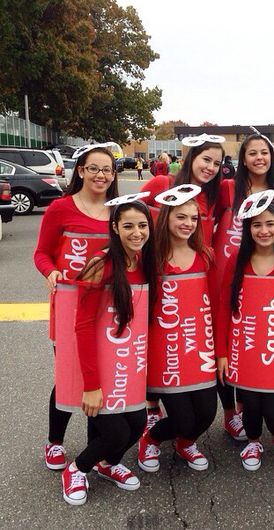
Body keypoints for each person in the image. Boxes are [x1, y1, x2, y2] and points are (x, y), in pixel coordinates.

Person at [60, 197, 156, 505]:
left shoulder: (144, 262)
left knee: (137, 425)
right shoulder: (100, 264)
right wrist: (90, 385)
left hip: (128, 365)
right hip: (99, 368)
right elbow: (83, 326)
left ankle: (107, 464)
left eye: (143, 226)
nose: (137, 233)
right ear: (114, 228)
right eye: (128, 226)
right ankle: (76, 469)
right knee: (115, 432)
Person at [34, 144, 119, 472]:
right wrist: (51, 271)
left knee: (101, 374)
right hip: (70, 304)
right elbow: (41, 252)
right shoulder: (60, 208)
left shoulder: (118, 211)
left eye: (107, 170)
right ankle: (54, 441)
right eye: (94, 168)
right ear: (80, 170)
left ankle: (94, 447)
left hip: (107, 305)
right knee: (70, 373)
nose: (101, 175)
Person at [139, 134, 224, 431]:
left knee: (187, 345)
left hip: (198, 270)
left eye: (217, 162)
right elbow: (131, 215)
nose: (211, 167)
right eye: (206, 159)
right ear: (191, 158)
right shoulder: (164, 183)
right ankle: (153, 408)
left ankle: (186, 431)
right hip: (165, 266)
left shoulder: (216, 194)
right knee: (162, 334)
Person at [216, 193, 274, 471]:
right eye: (256, 225)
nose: (264, 231)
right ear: (248, 229)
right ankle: (253, 441)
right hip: (244, 349)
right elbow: (223, 308)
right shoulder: (237, 261)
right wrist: (222, 352)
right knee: (251, 407)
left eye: (270, 224)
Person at [211, 132, 274, 441]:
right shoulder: (228, 188)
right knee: (224, 338)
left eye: (264, 153)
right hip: (223, 272)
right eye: (252, 153)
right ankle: (231, 413)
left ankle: (248, 405)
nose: (259, 158)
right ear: (242, 159)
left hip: (262, 277)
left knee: (253, 337)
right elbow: (202, 220)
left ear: (272, 158)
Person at [138, 186, 217, 473]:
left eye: (194, 219)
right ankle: (153, 438)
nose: (187, 224)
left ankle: (185, 443)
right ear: (167, 217)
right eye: (181, 217)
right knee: (182, 418)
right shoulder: (150, 257)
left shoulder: (205, 256)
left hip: (198, 349)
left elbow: (216, 305)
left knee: (207, 414)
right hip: (166, 353)